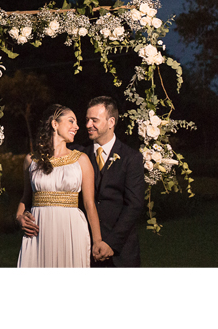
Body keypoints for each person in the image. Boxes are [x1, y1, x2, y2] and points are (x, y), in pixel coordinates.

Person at [15, 104, 105, 267]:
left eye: (77, 123)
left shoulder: (81, 160)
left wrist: (97, 241)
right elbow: (26, 198)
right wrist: (19, 217)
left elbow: (89, 204)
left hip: (71, 230)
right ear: (54, 124)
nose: (77, 127)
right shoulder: (31, 160)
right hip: (38, 233)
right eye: (71, 121)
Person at [82, 95, 145, 267]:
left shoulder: (131, 158)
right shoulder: (80, 155)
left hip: (121, 251)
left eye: (94, 120)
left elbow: (134, 205)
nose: (88, 125)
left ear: (111, 122)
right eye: (87, 120)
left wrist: (111, 243)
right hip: (85, 249)